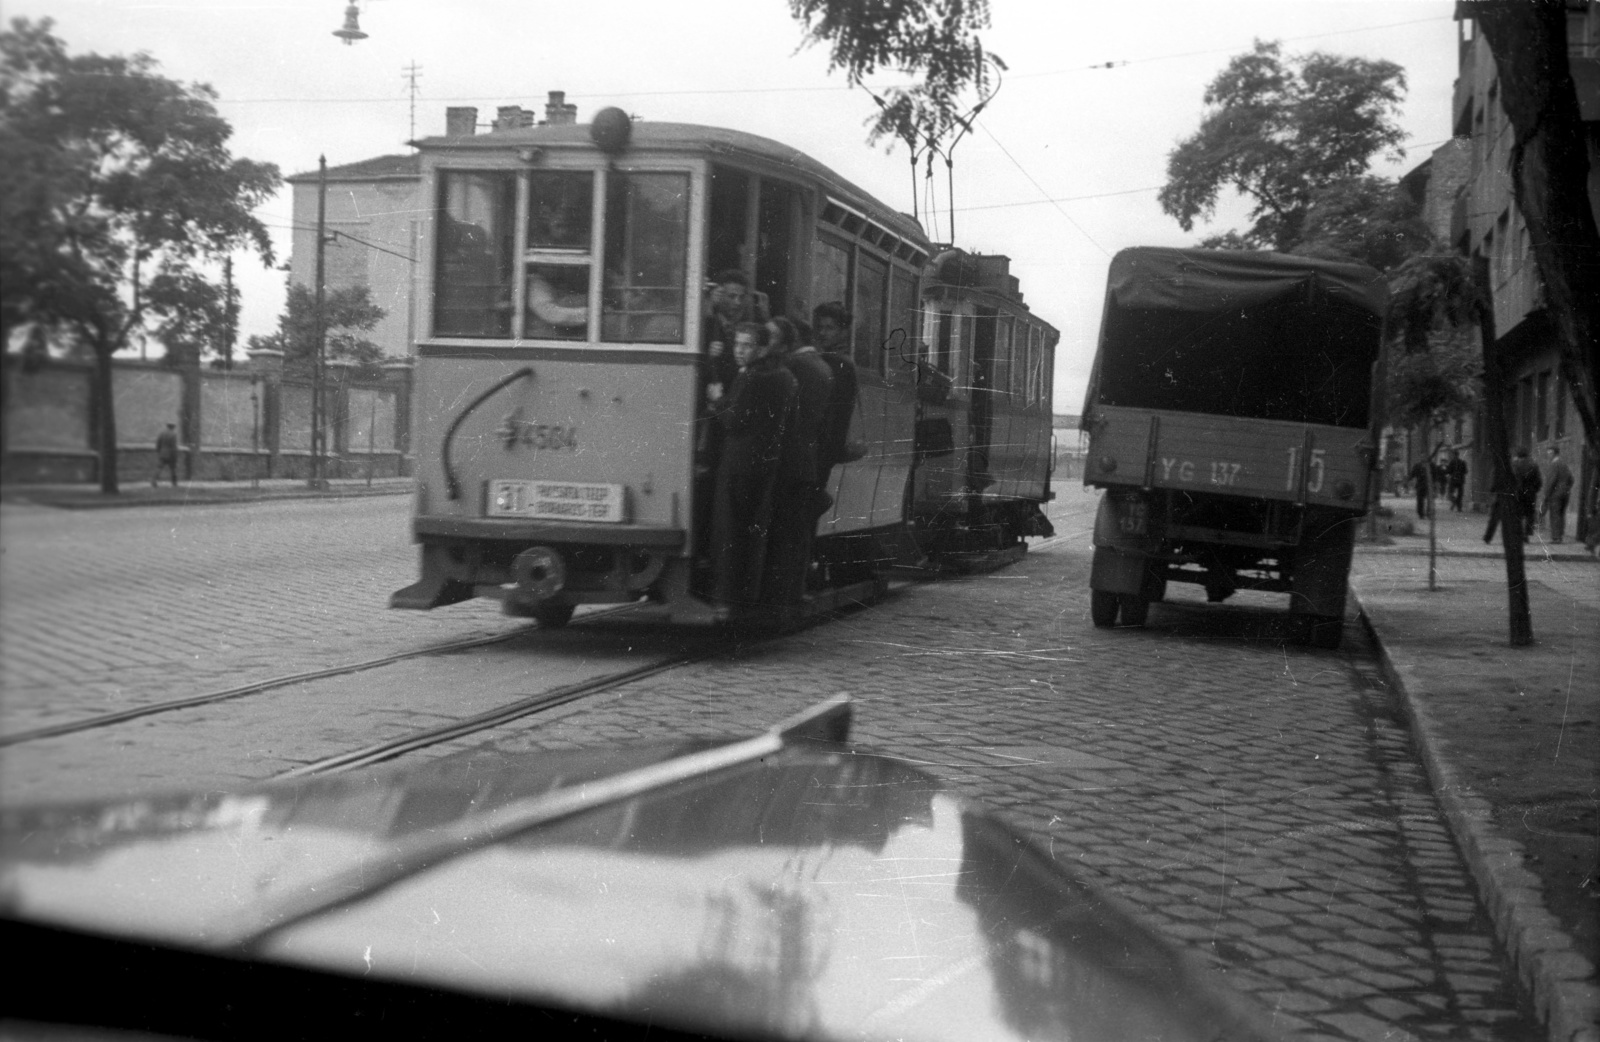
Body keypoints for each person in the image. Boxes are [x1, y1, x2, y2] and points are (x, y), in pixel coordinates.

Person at [709, 323, 797, 610]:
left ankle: (727, 597)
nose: (739, 351)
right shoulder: (784, 375)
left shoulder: (750, 377)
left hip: (738, 465)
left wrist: (715, 400)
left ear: (761, 348)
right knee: (752, 533)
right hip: (767, 464)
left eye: (746, 345)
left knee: (730, 531)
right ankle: (748, 596)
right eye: (737, 344)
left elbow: (735, 421)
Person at [762, 316, 835, 614]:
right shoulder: (820, 366)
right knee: (797, 528)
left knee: (786, 528)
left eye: (771, 339)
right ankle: (794, 589)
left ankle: (782, 592)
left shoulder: (793, 368)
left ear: (789, 342)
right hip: (806, 457)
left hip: (788, 460)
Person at [812, 301, 861, 483]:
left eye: (829, 328)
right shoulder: (836, 361)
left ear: (843, 332)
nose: (823, 333)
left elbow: (839, 413)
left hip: (823, 450)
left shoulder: (839, 364)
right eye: (820, 327)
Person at [1542, 445, 1574, 543]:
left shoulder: (1554, 464)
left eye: (1550, 453)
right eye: (1548, 453)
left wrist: (1546, 494)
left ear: (1555, 453)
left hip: (1555, 494)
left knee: (1555, 515)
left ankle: (1556, 538)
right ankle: (1560, 536)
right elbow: (1571, 479)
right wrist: (1566, 488)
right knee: (1561, 514)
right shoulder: (1564, 464)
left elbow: (1551, 481)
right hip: (1565, 493)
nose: (1549, 455)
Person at [1510, 446, 1542, 540]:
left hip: (1518, 493)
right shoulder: (1533, 465)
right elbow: (1539, 481)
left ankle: (1518, 533)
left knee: (1518, 514)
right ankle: (1526, 534)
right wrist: (1534, 490)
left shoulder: (1515, 464)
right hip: (1530, 493)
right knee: (1529, 514)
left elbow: (1512, 479)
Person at [153, 423, 179, 487]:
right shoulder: (174, 434)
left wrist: (159, 451)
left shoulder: (162, 433)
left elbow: (158, 444)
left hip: (162, 454)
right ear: (173, 427)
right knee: (173, 469)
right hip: (171, 455)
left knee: (159, 468)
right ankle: (174, 483)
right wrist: (175, 455)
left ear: (167, 426)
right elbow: (173, 446)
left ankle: (154, 481)